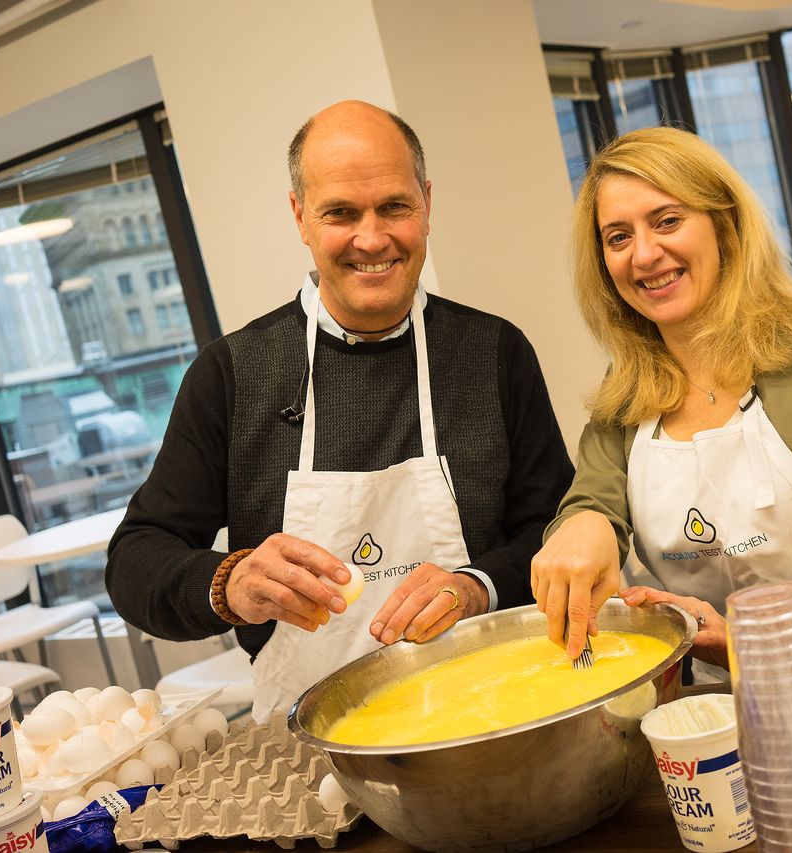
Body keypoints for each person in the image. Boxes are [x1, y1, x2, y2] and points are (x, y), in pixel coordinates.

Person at [107, 100, 574, 720]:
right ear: (300, 216)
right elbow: (136, 559)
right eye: (341, 214)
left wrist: (477, 585)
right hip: (315, 739)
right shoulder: (231, 374)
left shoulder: (493, 352)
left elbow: (557, 529)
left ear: (427, 203)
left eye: (395, 207)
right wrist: (229, 583)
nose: (372, 238)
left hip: (496, 708)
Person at [531, 127, 792, 677]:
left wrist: (761, 631)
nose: (645, 254)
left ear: (724, 224)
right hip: (715, 708)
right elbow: (593, 500)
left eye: (667, 220)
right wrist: (581, 526)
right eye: (618, 237)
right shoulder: (626, 384)